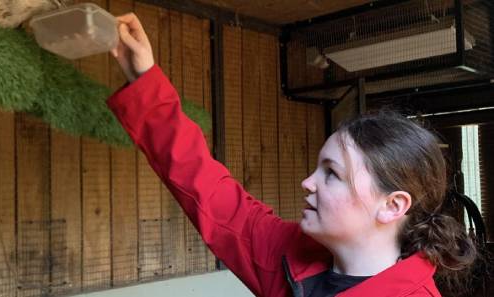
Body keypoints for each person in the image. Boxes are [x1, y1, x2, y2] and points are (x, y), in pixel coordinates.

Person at [107, 13, 478, 297]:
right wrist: (144, 79)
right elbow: (205, 186)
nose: (307, 182)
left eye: (331, 173)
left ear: (393, 205)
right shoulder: (289, 255)